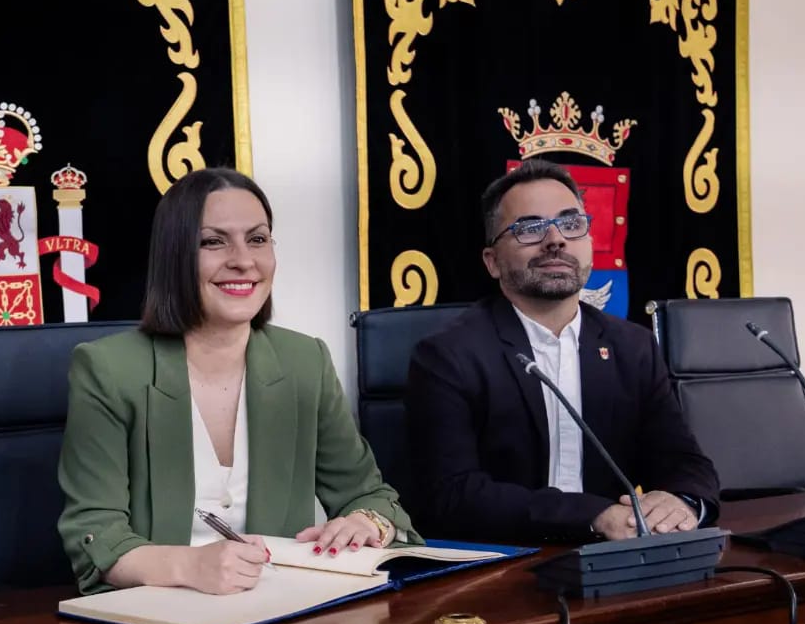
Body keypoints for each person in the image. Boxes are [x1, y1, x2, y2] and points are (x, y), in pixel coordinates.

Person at [58, 167, 416, 594]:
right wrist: (189, 566)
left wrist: (363, 522)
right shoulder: (108, 369)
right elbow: (96, 535)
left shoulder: (305, 361)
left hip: (279, 619)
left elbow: (372, 497)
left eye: (258, 239)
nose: (243, 260)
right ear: (174, 255)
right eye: (213, 241)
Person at [404, 158, 720, 545]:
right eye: (531, 228)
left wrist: (680, 502)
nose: (556, 239)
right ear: (492, 262)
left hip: (616, 557)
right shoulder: (448, 354)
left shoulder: (632, 346)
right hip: (501, 563)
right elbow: (451, 496)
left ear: (588, 244)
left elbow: (685, 462)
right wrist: (593, 516)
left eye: (571, 224)